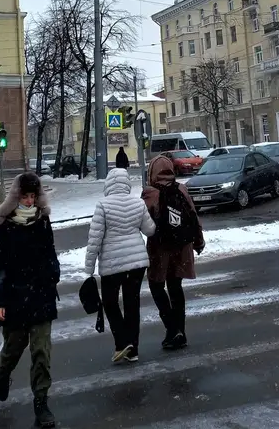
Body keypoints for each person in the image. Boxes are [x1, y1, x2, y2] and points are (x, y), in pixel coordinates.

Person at [0, 172, 59, 428]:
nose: (29, 202)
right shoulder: (4, 225)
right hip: (14, 297)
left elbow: (51, 251)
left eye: (33, 197)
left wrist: (54, 273)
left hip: (42, 295)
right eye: (25, 197)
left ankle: (41, 404)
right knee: (13, 349)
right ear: (15, 198)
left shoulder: (42, 221)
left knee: (41, 352)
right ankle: (4, 372)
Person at [85, 167, 156, 363]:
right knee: (132, 304)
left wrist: (89, 269)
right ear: (127, 183)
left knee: (109, 302)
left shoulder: (103, 205)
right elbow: (149, 230)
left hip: (112, 264)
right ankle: (132, 349)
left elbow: (95, 239)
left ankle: (123, 342)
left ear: (108, 184)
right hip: (136, 262)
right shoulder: (138, 203)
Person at [142, 154, 204, 350]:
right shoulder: (182, 189)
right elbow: (193, 215)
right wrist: (198, 241)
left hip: (160, 248)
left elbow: (141, 223)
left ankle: (172, 328)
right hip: (182, 246)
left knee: (156, 286)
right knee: (176, 288)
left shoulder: (150, 193)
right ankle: (181, 333)